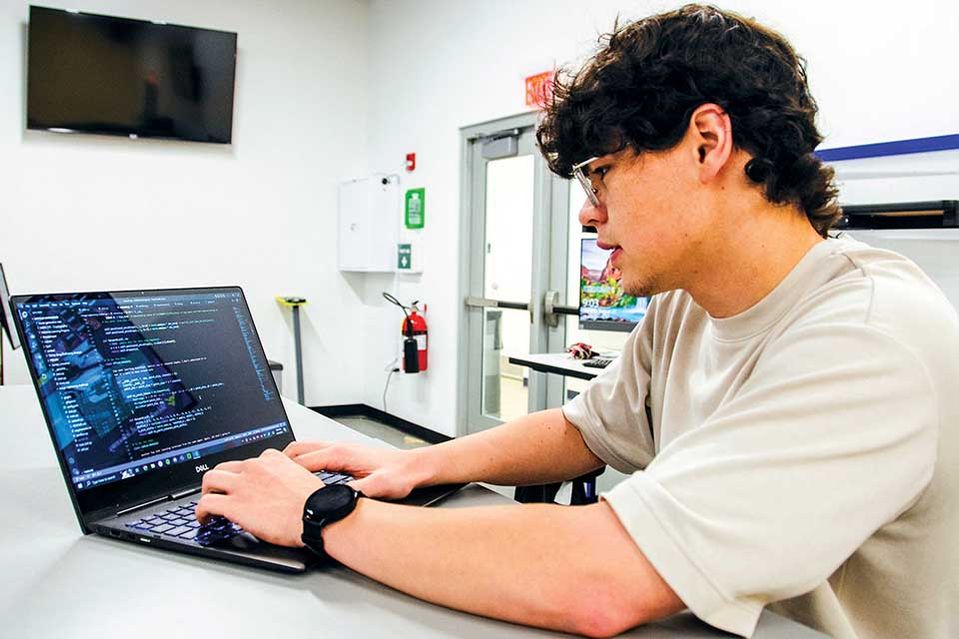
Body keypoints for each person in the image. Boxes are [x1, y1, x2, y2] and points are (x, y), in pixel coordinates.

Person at [196, 5, 958, 638]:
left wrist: (319, 514)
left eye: (601, 174)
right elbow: (588, 430)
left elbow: (606, 579)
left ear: (707, 142)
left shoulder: (867, 336)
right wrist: (423, 463)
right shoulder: (686, 306)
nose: (590, 214)